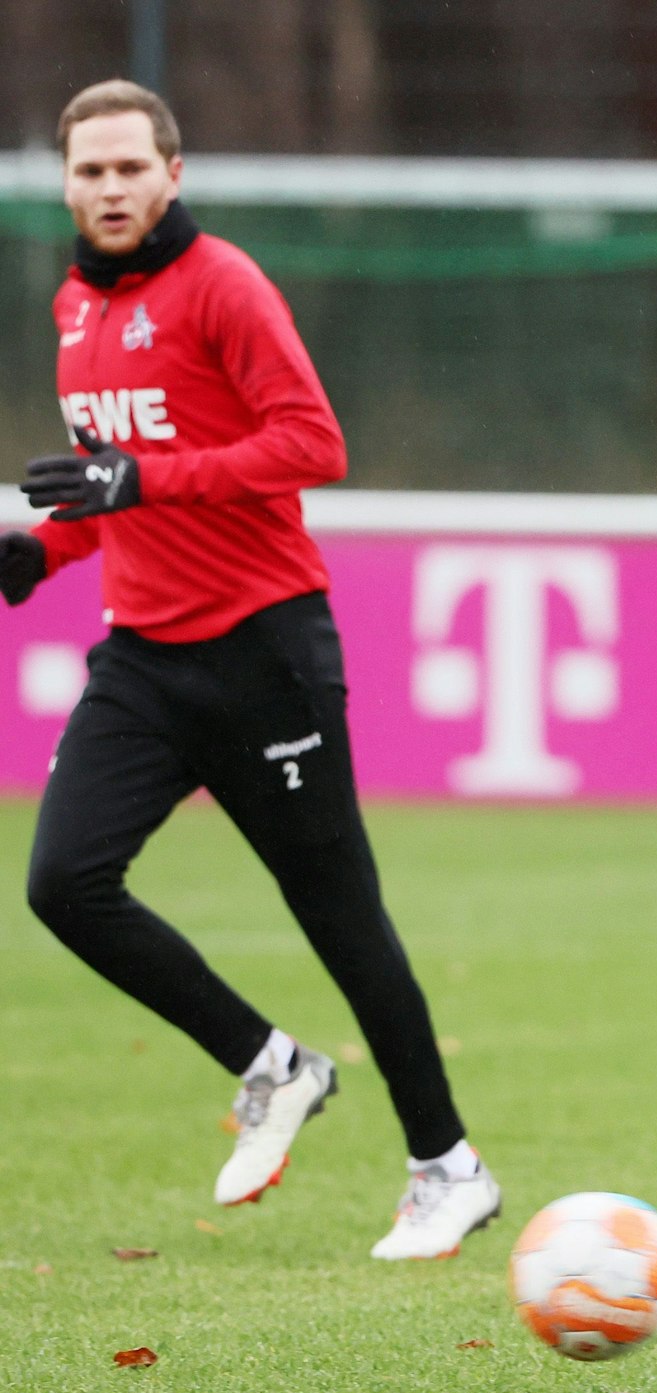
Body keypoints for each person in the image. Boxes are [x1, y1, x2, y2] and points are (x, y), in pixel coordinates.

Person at [1, 80, 499, 1260]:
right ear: (65, 184)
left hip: (265, 651)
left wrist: (137, 484)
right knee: (64, 884)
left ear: (173, 174)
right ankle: (273, 1066)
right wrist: (43, 547)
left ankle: (448, 1166)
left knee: (340, 922)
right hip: (143, 658)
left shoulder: (221, 283)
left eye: (131, 168)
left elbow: (309, 443)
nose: (111, 189)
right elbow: (106, 488)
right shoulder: (76, 302)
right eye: (90, 172)